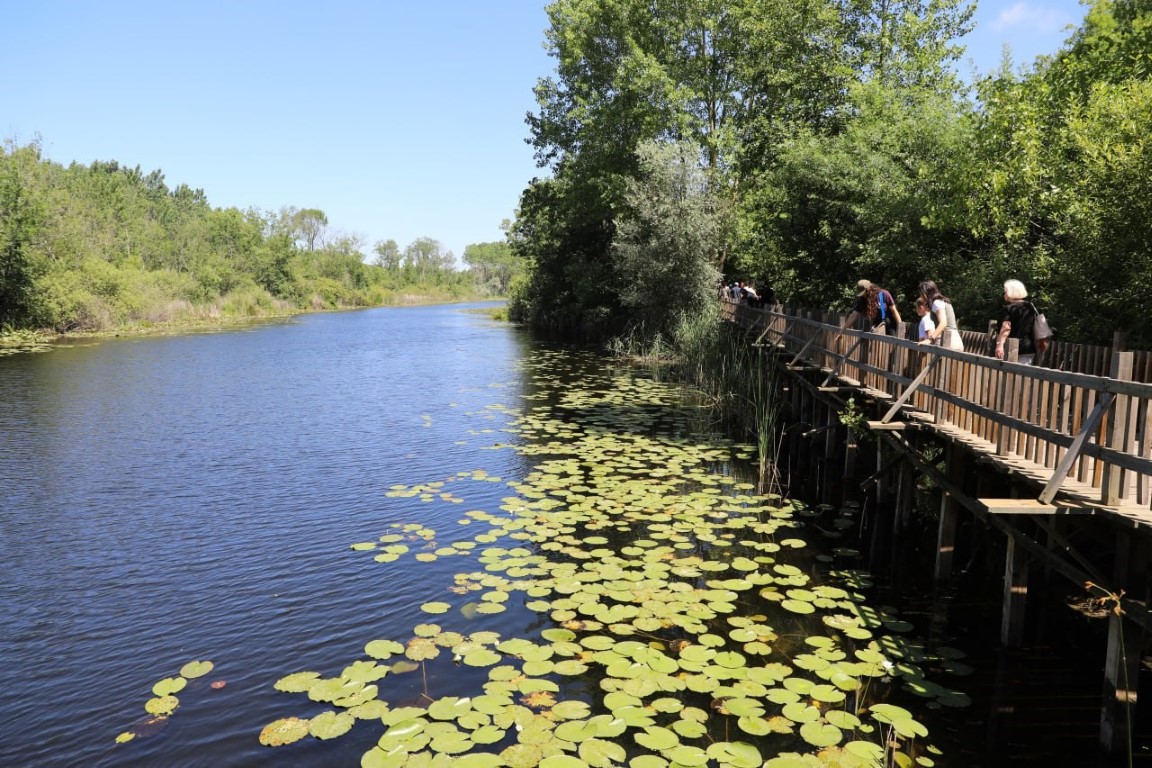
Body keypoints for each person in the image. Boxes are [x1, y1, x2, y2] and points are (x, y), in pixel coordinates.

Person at [994, 279, 1041, 365]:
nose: (1004, 294)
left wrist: (999, 345)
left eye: (1005, 291)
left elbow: (1006, 328)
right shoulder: (1030, 307)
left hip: (1012, 349)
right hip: (1028, 348)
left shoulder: (1009, 309)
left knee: (1010, 376)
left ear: (1010, 292)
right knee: (1024, 376)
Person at [917, 280, 963, 351]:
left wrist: (930, 339)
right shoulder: (943, 301)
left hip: (947, 342)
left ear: (926, 293)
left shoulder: (937, 303)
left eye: (921, 294)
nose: (921, 297)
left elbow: (943, 323)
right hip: (956, 340)